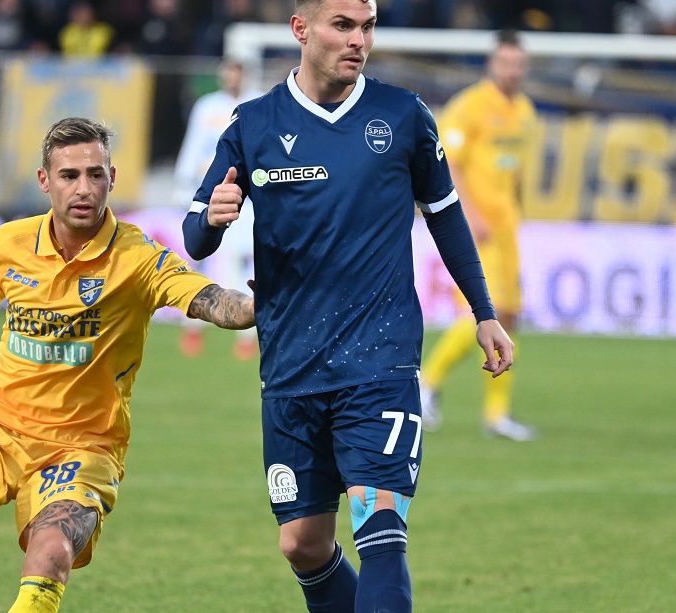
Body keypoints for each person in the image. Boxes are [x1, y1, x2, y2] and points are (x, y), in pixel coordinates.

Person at [182, 1, 513, 611]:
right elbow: (195, 234)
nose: (359, 40)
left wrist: (483, 310)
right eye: (343, 26)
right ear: (301, 29)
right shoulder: (252, 124)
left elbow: (445, 216)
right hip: (290, 363)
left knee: (380, 527)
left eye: (367, 27)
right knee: (303, 545)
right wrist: (213, 216)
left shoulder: (402, 114)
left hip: (378, 358)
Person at [0, 116, 254, 613]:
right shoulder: (7, 244)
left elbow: (208, 300)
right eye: (69, 175)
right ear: (44, 181)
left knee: (49, 557)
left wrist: (254, 308)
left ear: (112, 179)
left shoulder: (137, 256)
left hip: (82, 445)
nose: (84, 188)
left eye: (96, 175)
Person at [418, 29, 538, 441]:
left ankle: (496, 414)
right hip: (477, 229)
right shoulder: (470, 106)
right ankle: (426, 383)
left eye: (519, 64)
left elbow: (514, 172)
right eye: (505, 63)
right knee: (484, 311)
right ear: (492, 64)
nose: (512, 71)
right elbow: (447, 160)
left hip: (507, 228)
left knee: (509, 316)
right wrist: (469, 213)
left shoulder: (524, 111)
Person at [174, 57, 262, 360]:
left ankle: (248, 335)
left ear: (244, 75)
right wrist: (184, 185)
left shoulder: (257, 105)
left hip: (245, 198)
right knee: (199, 261)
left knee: (241, 262)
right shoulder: (207, 106)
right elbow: (193, 145)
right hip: (207, 194)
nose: (231, 78)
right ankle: (193, 330)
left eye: (236, 73)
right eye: (227, 73)